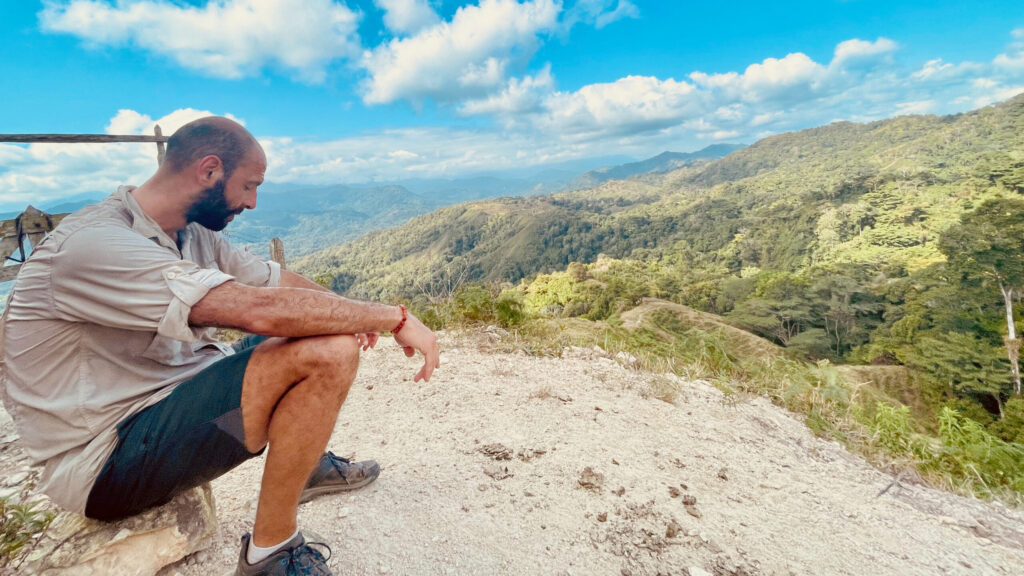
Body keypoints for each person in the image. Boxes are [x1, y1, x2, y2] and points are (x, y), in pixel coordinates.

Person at [0, 116, 440, 576]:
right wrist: (394, 317)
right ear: (210, 170)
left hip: (167, 399)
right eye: (249, 186)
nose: (252, 202)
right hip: (108, 459)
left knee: (319, 325)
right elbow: (259, 311)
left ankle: (301, 464)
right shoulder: (93, 244)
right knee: (327, 351)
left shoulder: (191, 233)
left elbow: (276, 282)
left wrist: (347, 308)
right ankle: (270, 553)